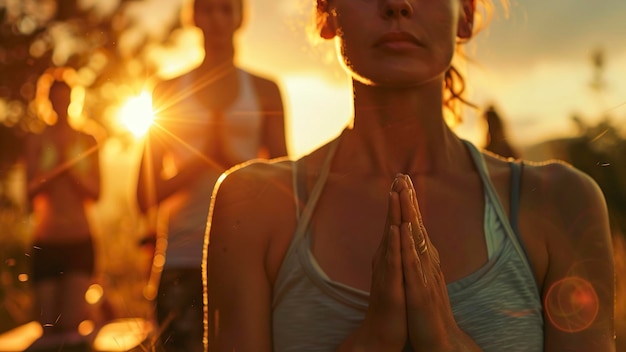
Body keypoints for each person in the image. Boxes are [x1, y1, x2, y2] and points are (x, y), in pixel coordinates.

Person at [204, 0, 616, 351]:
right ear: (326, 13)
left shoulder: (559, 203)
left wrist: (447, 342)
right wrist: (371, 341)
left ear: (466, 15)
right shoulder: (251, 207)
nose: (398, 3)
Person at [135, 0, 288, 350]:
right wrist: (201, 162)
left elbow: (284, 186)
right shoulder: (167, 90)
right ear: (195, 17)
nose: (217, 18)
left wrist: (230, 161)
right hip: (181, 258)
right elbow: (143, 196)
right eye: (208, 8)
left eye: (226, 8)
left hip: (250, 258)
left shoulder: (265, 89)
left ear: (240, 17)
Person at [24, 67, 101, 350]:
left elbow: (96, 192)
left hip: (79, 240)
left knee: (69, 325)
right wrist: (55, 173)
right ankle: (94, 303)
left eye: (65, 99)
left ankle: (93, 307)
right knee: (47, 326)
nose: (61, 105)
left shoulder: (87, 140)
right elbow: (29, 193)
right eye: (55, 100)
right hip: (46, 241)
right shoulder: (36, 140)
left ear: (72, 100)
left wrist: (71, 173)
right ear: (47, 102)